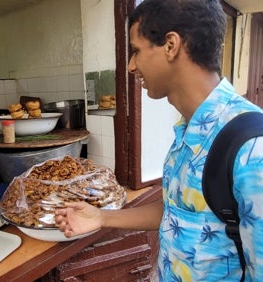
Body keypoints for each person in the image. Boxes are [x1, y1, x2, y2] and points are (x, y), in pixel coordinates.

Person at [55, 0, 263, 280]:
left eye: (136, 51)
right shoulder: (187, 130)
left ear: (170, 45)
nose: (130, 66)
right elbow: (177, 210)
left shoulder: (252, 147)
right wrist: (101, 217)